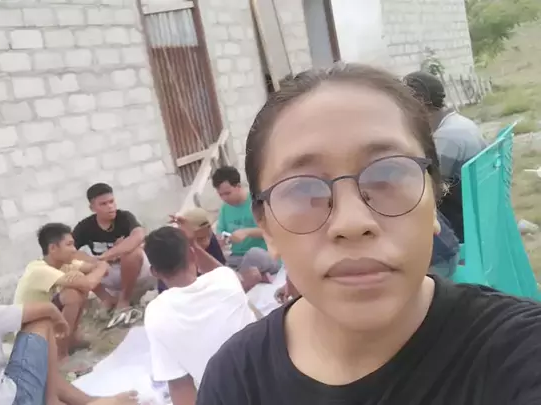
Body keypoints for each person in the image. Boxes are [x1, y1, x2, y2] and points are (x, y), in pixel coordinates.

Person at [196, 64, 541, 404]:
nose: (351, 223)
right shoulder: (235, 382)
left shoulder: (520, 353)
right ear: (267, 227)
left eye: (388, 175)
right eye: (303, 190)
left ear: (433, 198)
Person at [0, 257, 137, 405]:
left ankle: (89, 401)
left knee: (36, 367)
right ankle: (54, 401)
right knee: (42, 322)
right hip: (14, 400)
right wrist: (61, 324)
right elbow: (46, 309)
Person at [144, 226, 258, 405]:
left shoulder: (156, 312)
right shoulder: (226, 278)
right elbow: (216, 269)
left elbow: (179, 385)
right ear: (192, 254)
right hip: (267, 379)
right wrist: (194, 245)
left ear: (154, 272)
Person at [403, 71, 487, 241]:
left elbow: (429, 186)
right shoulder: (458, 121)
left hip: (460, 220)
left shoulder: (446, 137)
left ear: (420, 101)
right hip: (477, 207)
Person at [14, 223, 110, 358]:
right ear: (53, 248)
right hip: (30, 333)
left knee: (77, 289)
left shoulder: (65, 264)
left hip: (47, 320)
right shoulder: (39, 270)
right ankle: (60, 355)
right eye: (69, 245)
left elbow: (100, 269)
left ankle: (71, 339)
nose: (74, 250)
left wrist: (98, 268)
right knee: (72, 294)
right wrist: (99, 268)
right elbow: (90, 283)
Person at [72, 183, 150, 320]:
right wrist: (94, 261)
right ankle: (107, 299)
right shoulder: (85, 226)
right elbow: (70, 252)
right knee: (75, 264)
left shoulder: (124, 217)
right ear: (92, 208)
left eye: (111, 201)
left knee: (133, 253)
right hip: (107, 271)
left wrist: (106, 256)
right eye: (103, 204)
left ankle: (124, 301)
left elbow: (138, 235)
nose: (110, 206)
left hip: (135, 271)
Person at [212, 166, 281, 289]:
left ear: (238, 186)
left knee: (254, 254)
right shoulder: (225, 208)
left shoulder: (258, 202)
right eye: (220, 195)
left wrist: (248, 232)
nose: (224, 198)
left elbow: (274, 231)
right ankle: (250, 276)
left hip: (264, 255)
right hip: (238, 258)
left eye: (227, 193)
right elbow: (220, 232)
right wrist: (220, 240)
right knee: (216, 264)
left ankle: (241, 281)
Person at [158, 208, 226, 293]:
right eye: (199, 239)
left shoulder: (211, 239)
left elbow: (222, 271)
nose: (206, 242)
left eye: (208, 236)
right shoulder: (175, 250)